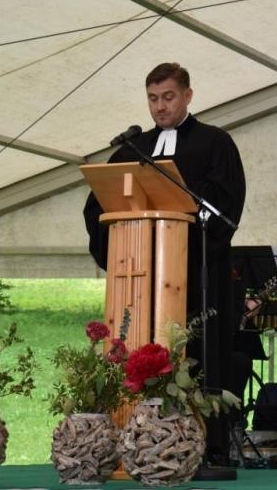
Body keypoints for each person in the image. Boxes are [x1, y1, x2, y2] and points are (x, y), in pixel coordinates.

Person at [83, 62, 246, 463]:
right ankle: (133, 439)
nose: (160, 106)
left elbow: (226, 204)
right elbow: (97, 204)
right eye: (153, 98)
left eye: (168, 97)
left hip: (196, 273)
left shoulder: (215, 143)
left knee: (200, 353)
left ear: (188, 96)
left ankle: (205, 447)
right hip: (139, 277)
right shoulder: (131, 150)